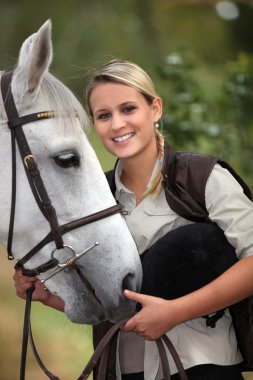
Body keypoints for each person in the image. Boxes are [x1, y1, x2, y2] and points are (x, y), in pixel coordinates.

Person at [13, 59, 253, 380]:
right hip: (121, 369)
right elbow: (110, 304)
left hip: (203, 365)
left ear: (155, 109)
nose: (116, 125)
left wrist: (175, 313)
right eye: (103, 115)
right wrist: (48, 297)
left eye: (128, 109)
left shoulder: (204, 178)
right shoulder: (92, 199)